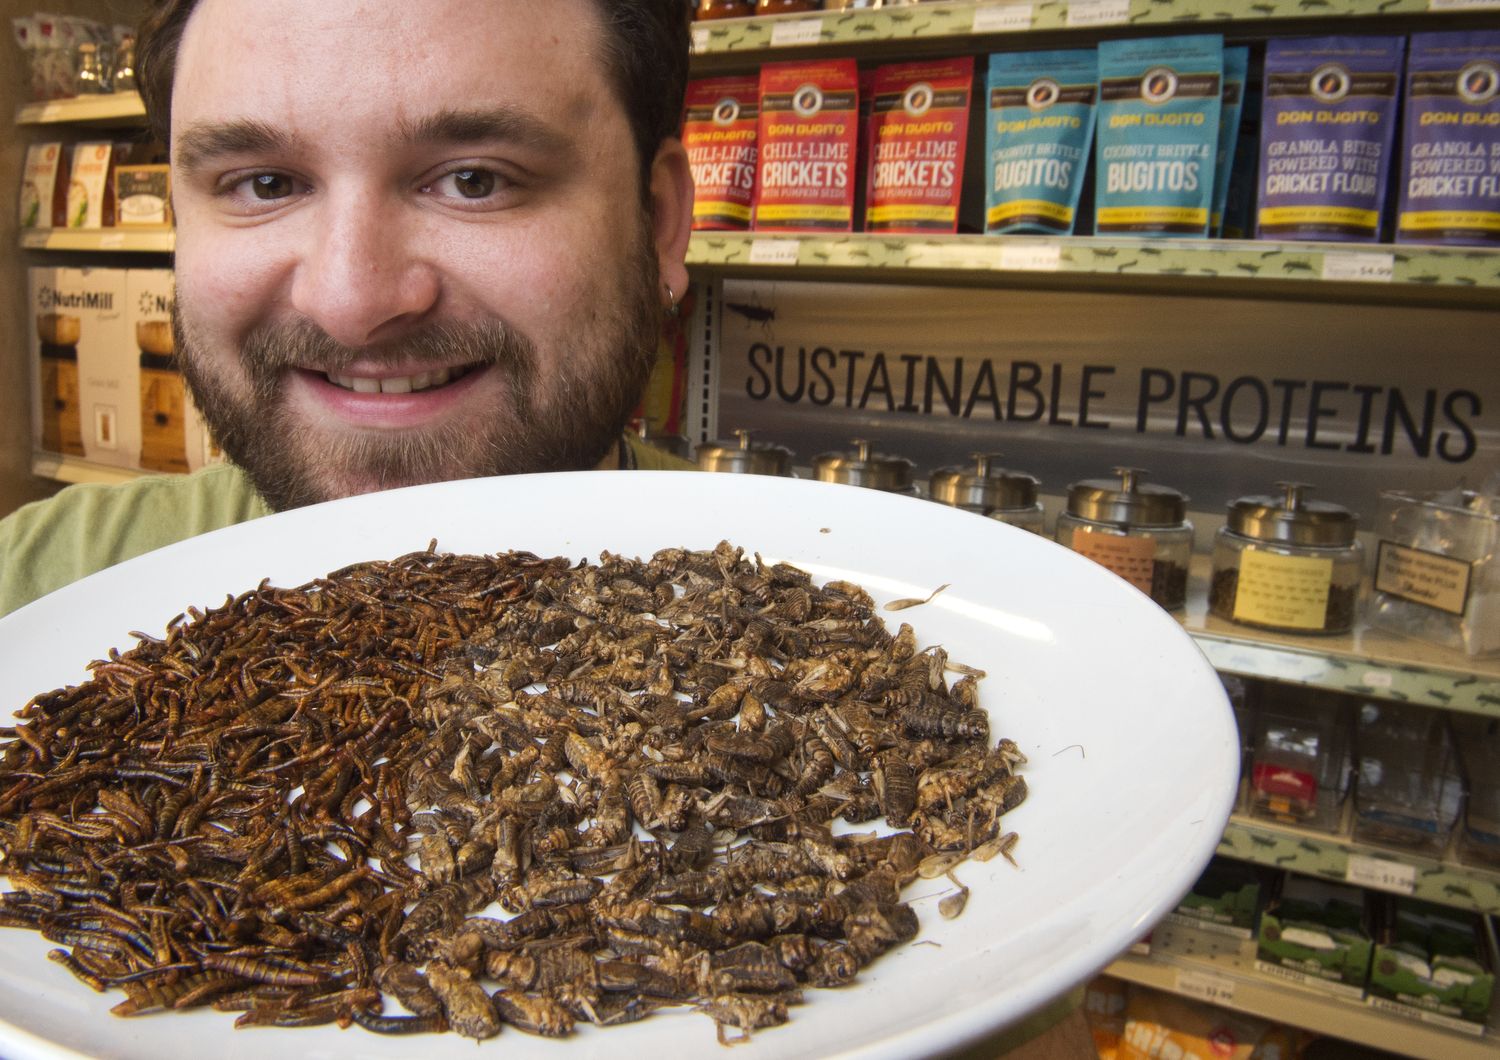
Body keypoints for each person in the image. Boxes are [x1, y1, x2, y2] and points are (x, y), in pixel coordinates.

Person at [0, 2, 1090, 1053]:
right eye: (263, 183)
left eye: (476, 179)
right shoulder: (35, 591)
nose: (349, 297)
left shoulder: (870, 676)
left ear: (659, 222)